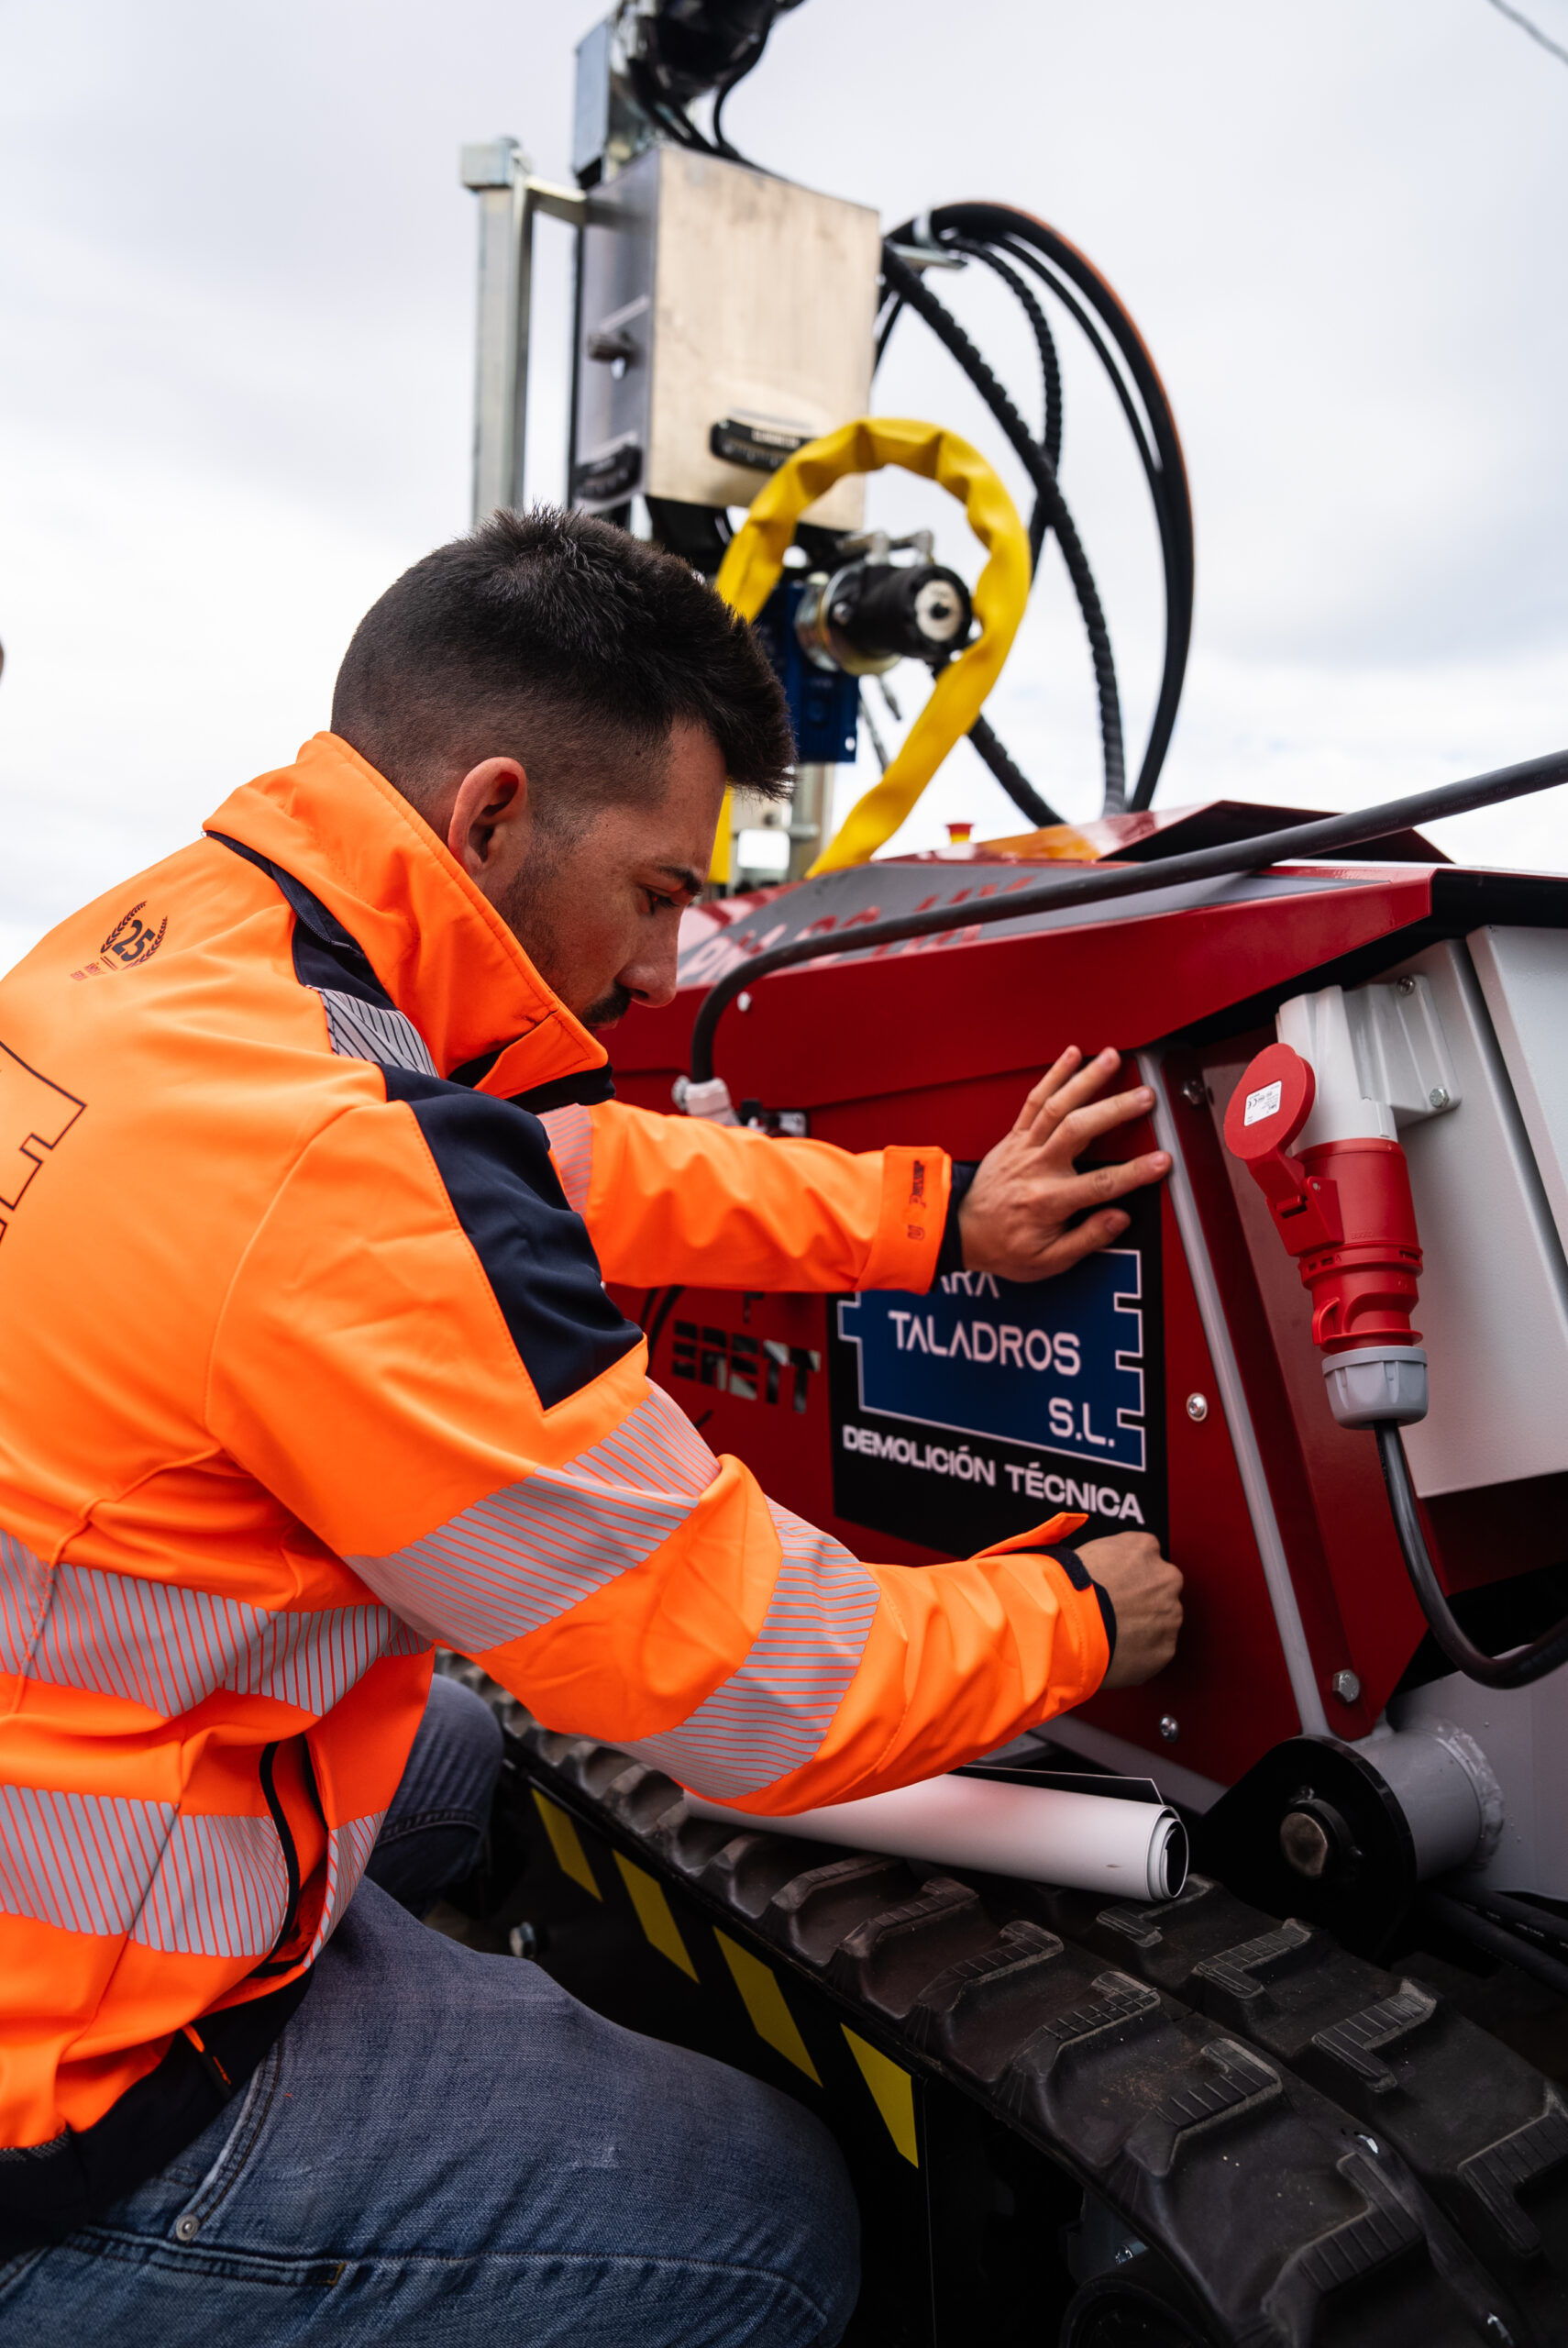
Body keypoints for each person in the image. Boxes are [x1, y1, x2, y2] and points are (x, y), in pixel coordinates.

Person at [0, 507, 1183, 2342]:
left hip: (65, 1738)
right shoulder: (340, 1171)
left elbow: (554, 1167)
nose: (660, 968)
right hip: (61, 2110)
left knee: (459, 1751)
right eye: (654, 890)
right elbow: (755, 1689)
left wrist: (939, 1216)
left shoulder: (161, 952)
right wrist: (1082, 1613)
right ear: (490, 816)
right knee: (763, 2215)